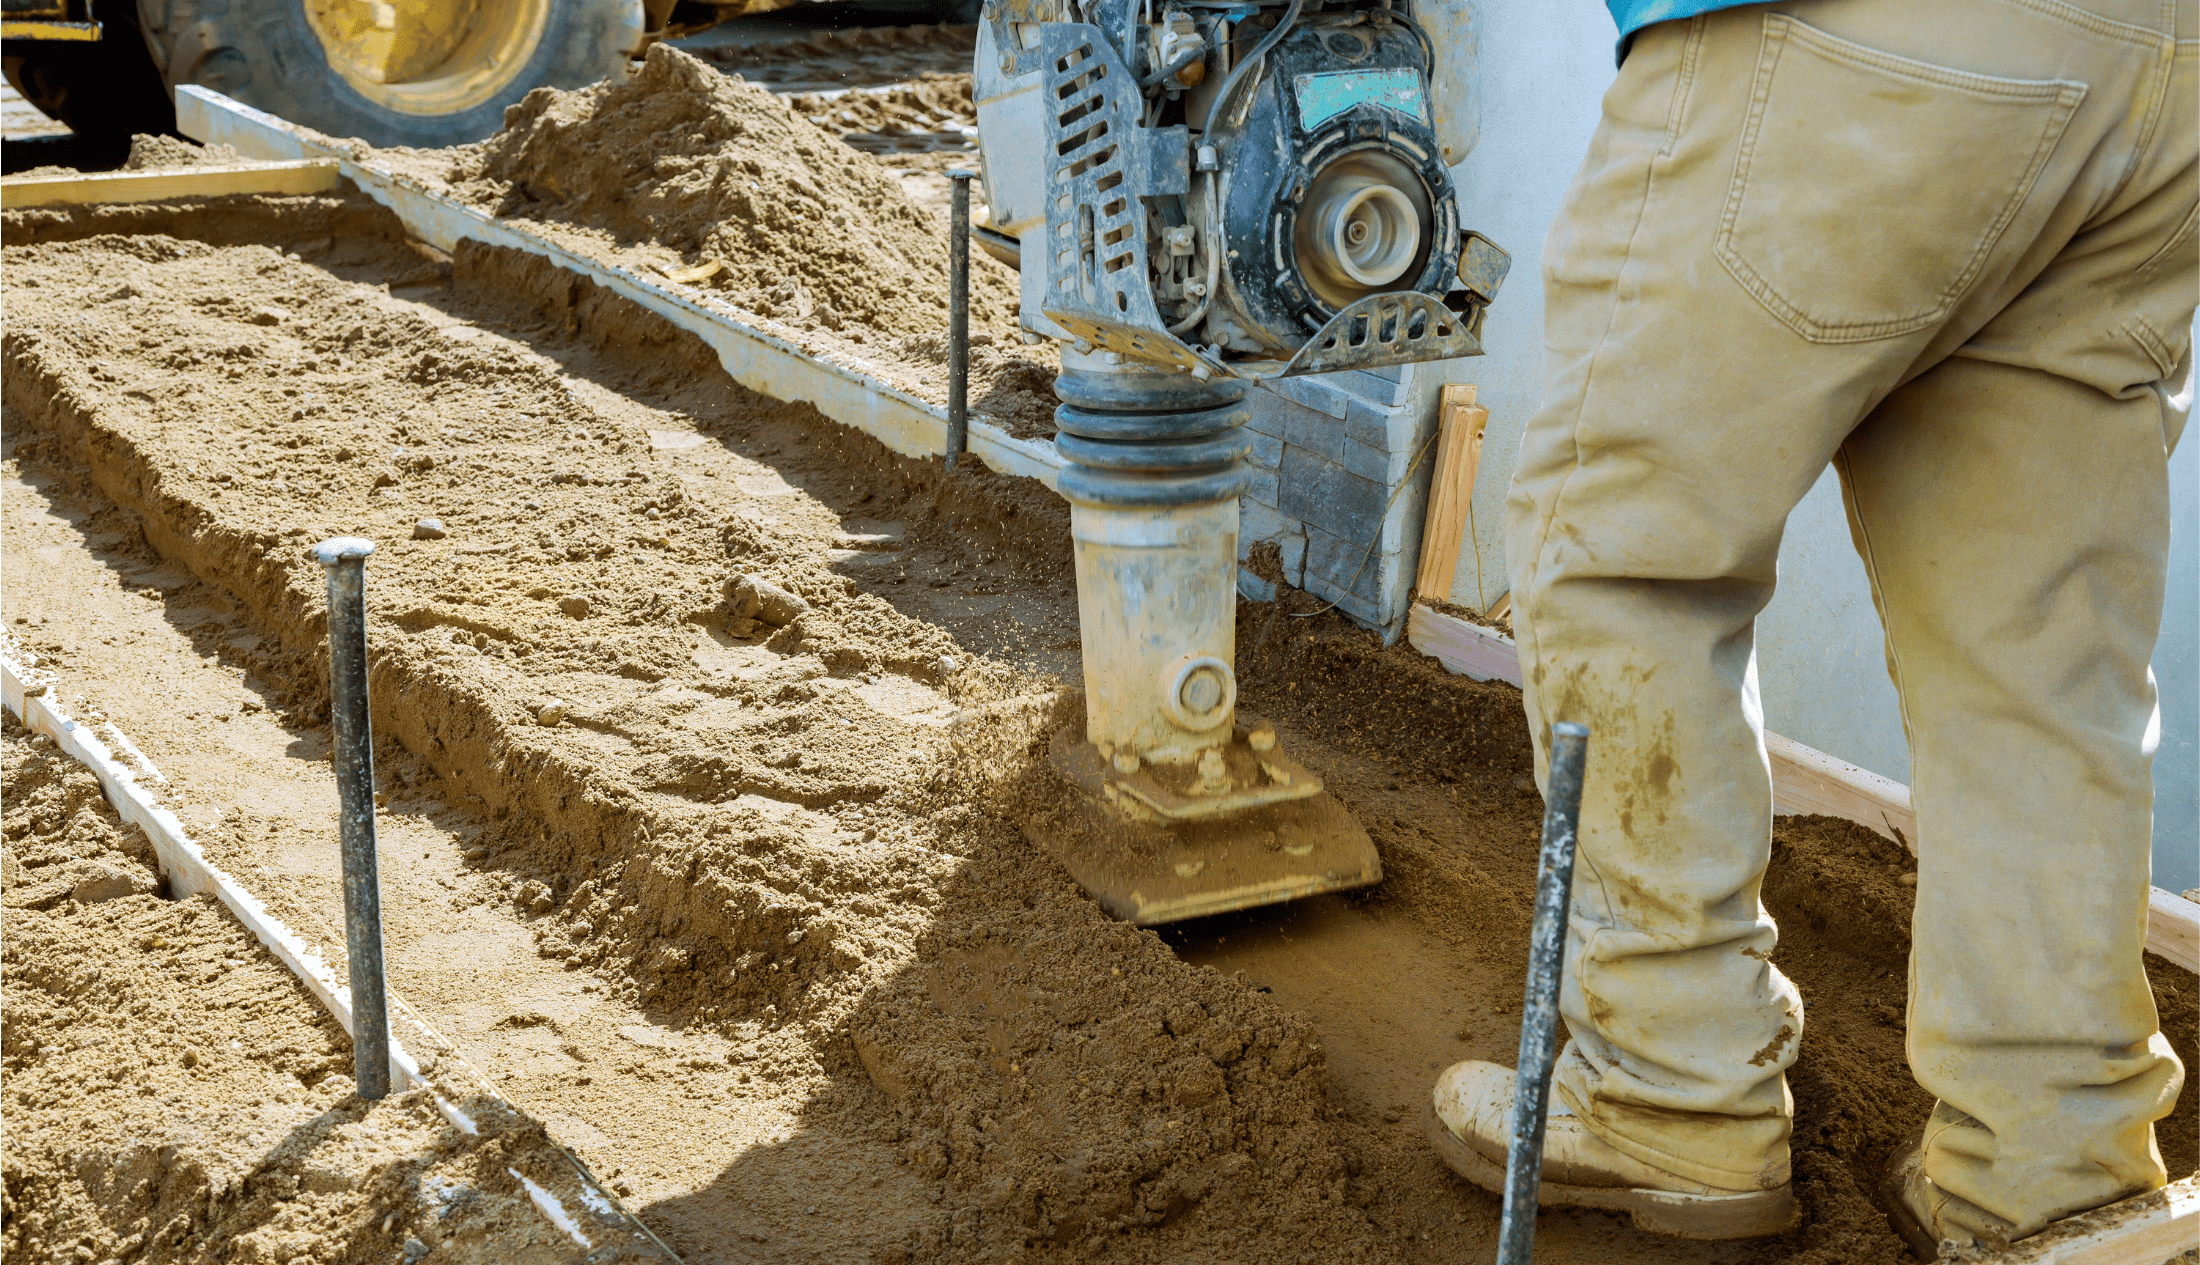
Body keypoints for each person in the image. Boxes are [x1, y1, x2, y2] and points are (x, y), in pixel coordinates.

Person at [1425, 0, 2196, 1252]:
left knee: (1624, 556)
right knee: (2037, 661)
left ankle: (1667, 1085)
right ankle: (2053, 1164)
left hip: (1860, 39)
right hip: (2162, 70)